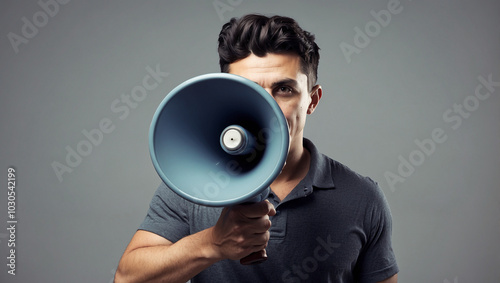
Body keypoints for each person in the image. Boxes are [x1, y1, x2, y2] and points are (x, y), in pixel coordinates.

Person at [115, 14, 399, 283]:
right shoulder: (193, 184)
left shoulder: (363, 197)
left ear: (312, 100)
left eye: (283, 89)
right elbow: (127, 278)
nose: (267, 107)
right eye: (249, 90)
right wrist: (212, 243)